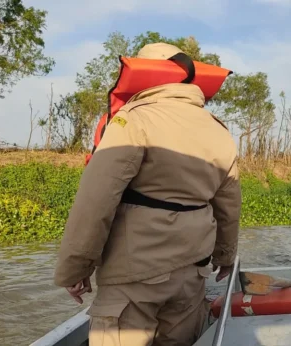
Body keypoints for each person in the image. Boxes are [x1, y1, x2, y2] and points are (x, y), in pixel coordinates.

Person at [53, 42, 241, 346]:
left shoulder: (134, 118)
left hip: (134, 273)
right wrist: (225, 256)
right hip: (192, 273)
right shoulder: (217, 129)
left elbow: (96, 199)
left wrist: (75, 267)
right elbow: (228, 204)